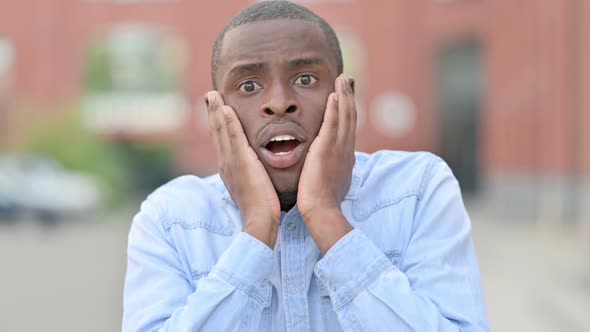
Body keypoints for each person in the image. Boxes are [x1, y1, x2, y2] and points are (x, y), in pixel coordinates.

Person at [122, 1, 490, 331]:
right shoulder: (170, 219)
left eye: (305, 79)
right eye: (249, 85)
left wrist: (327, 216)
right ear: (217, 114)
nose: (279, 103)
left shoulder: (417, 190)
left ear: (344, 98)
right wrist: (256, 231)